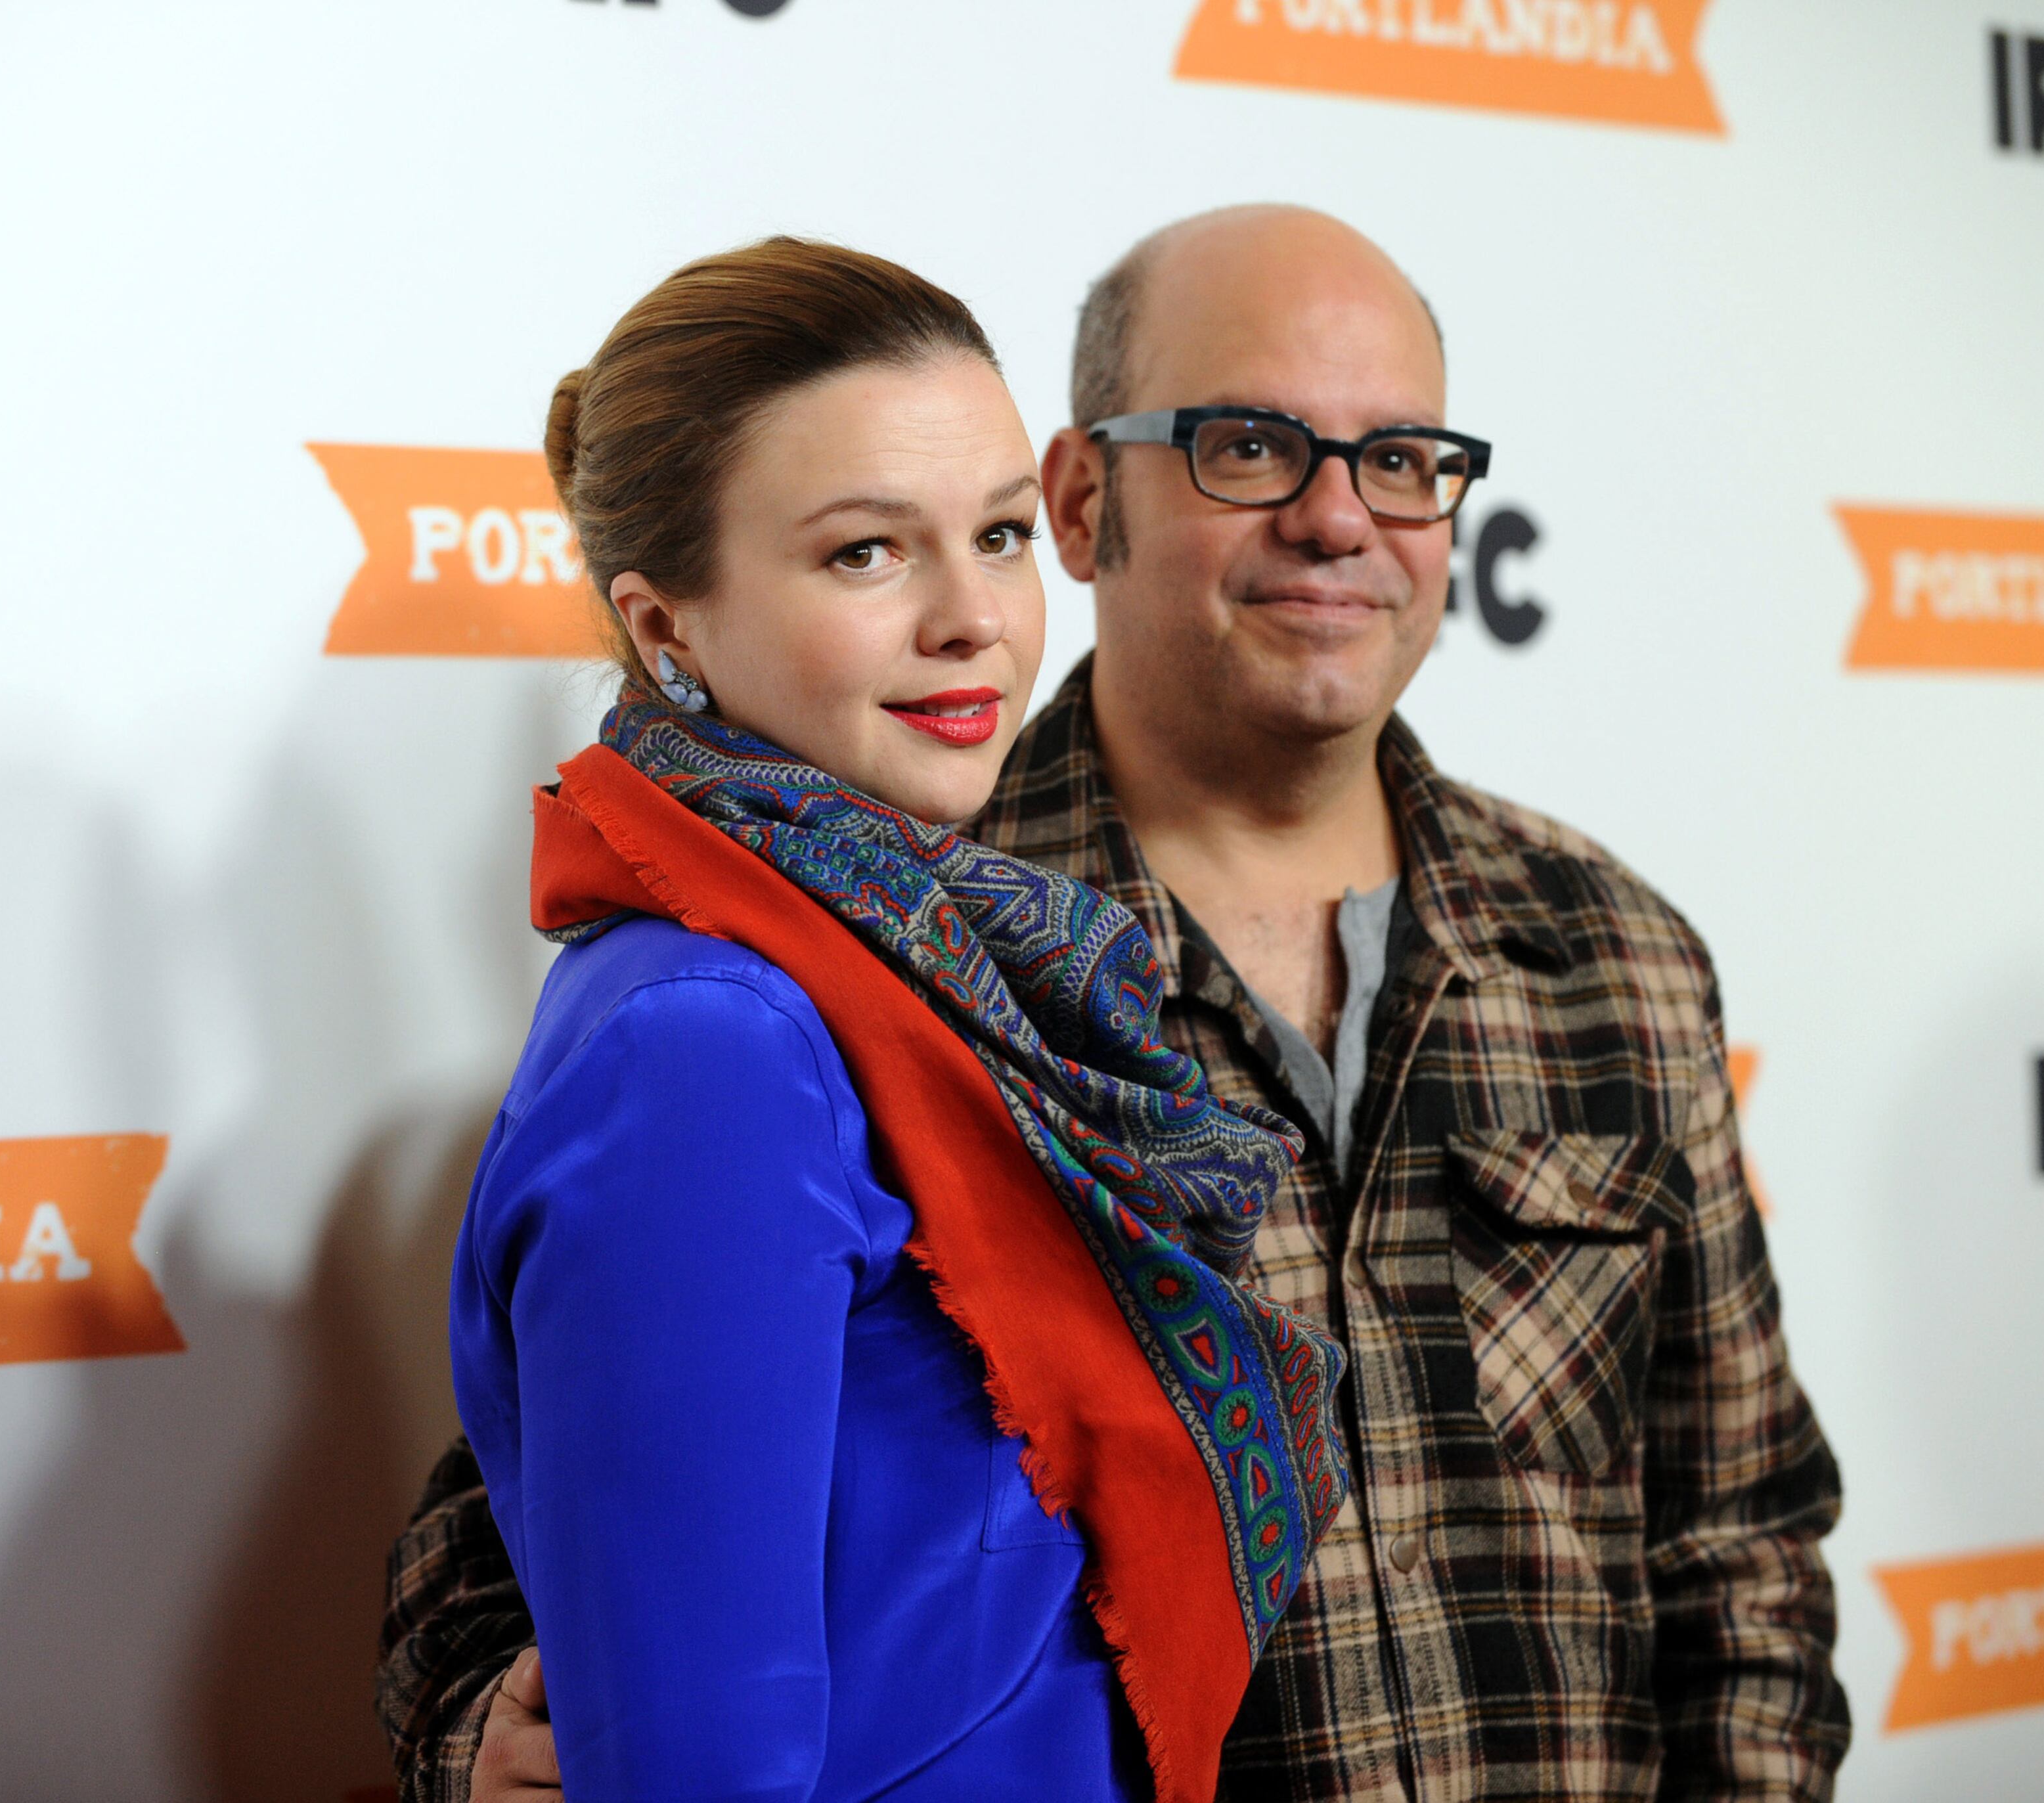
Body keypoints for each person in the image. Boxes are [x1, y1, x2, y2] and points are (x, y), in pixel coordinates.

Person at [384, 207, 1852, 1802]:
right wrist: (484, 1737)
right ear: (1091, 501)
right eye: (1249, 446)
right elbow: (535, 1521)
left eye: (1404, 458)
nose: (1338, 519)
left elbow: (1742, 1549)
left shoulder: (1612, 956)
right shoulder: (863, 954)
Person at [439, 235, 1350, 1803]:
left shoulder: (935, 963)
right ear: (667, 630)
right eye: (866, 552)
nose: (972, 619)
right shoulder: (710, 1051)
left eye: (999, 535)